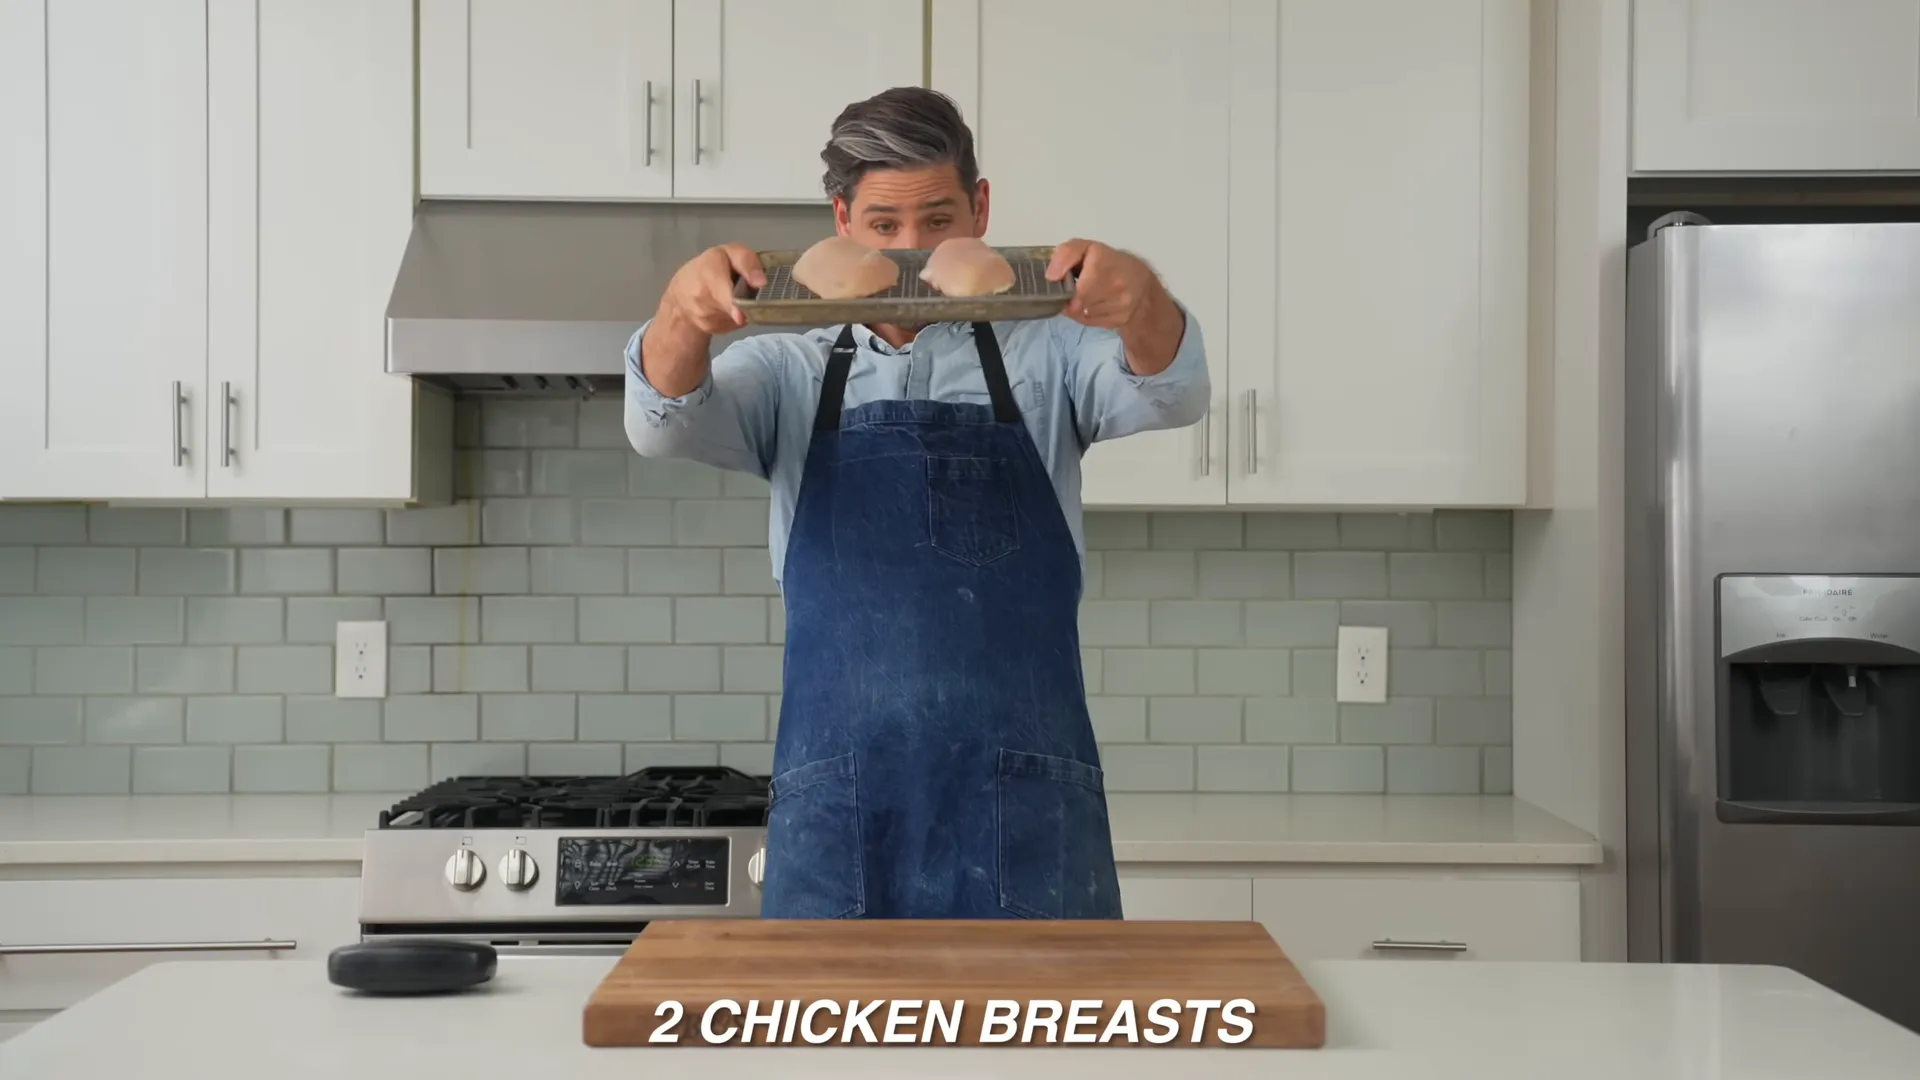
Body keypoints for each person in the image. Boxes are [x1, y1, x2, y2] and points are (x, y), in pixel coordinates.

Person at [624, 87, 1209, 920]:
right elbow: (661, 420)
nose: (909, 252)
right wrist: (685, 309)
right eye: (884, 227)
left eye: (938, 222)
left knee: (1045, 1052)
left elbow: (1172, 390)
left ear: (981, 207)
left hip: (1029, 816)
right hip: (838, 817)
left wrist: (1139, 297)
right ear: (840, 220)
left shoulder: (1051, 356)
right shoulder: (788, 372)